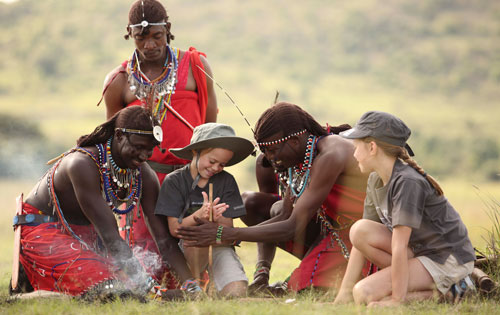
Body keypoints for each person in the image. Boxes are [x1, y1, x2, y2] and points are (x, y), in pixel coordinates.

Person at [177, 102, 372, 292]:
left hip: (366, 234)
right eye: (265, 151)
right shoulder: (302, 157)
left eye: (272, 151)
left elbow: (292, 226)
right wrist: (227, 237)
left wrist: (224, 234)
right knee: (298, 281)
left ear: (294, 142)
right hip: (337, 234)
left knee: (303, 287)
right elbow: (284, 216)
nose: (269, 159)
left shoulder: (331, 154)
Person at [10, 106, 195, 298]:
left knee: (134, 284)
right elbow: (111, 238)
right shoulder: (81, 164)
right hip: (44, 232)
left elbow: (164, 239)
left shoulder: (143, 174)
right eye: (139, 147)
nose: (143, 156)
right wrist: (152, 293)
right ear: (120, 135)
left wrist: (192, 286)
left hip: (88, 237)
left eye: (150, 150)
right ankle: (27, 283)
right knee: (112, 289)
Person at [100, 0, 218, 287]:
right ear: (130, 34)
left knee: (194, 255)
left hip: (191, 177)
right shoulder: (119, 81)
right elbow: (115, 142)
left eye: (157, 35)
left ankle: (197, 284)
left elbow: (210, 125)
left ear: (168, 29)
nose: (150, 44)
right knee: (149, 272)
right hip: (144, 180)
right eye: (142, 37)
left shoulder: (195, 67)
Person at [333, 111, 475, 306]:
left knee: (365, 293)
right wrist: (343, 295)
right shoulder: (375, 179)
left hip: (445, 258)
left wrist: (396, 301)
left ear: (372, 147)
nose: (354, 154)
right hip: (419, 251)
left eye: (356, 147)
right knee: (359, 230)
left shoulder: (407, 182)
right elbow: (361, 243)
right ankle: (432, 287)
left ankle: (451, 291)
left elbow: (399, 246)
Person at [155, 123, 254, 297]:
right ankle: (195, 285)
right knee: (195, 237)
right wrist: (199, 216)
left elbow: (228, 229)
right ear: (196, 151)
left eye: (222, 164)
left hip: (219, 245)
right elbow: (175, 229)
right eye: (212, 161)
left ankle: (212, 289)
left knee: (237, 293)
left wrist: (215, 219)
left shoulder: (227, 181)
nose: (216, 168)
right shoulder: (174, 182)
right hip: (187, 246)